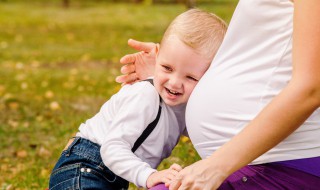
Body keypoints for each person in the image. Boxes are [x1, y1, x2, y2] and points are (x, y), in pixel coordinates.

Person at [117, 0, 320, 189]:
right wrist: (174, 67)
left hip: (282, 166)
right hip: (256, 162)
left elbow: (311, 88)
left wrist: (217, 166)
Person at [49, 8, 227, 190]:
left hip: (110, 177)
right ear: (156, 56)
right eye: (167, 67)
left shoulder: (187, 107)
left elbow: (208, 136)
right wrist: (149, 175)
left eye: (190, 78)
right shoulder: (145, 95)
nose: (174, 83)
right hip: (85, 167)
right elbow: (112, 148)